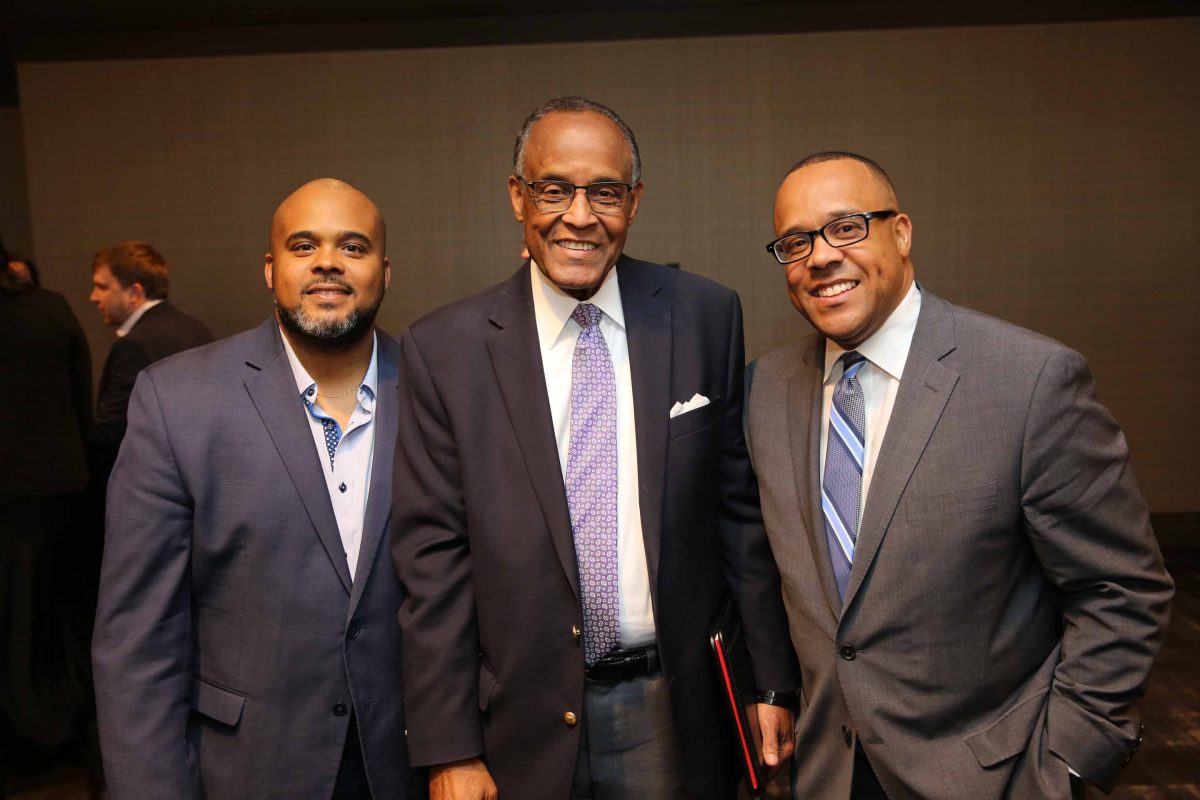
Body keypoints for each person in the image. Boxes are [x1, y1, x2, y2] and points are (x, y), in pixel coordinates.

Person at [391, 96, 800, 800]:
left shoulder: (704, 315)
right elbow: (433, 562)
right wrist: (449, 747)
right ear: (517, 197)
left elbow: (738, 518)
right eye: (554, 190)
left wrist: (770, 681)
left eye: (605, 192)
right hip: (516, 721)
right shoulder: (445, 349)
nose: (579, 216)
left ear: (634, 202)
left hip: (673, 709)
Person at [747, 151, 1174, 799]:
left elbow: (1121, 588)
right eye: (795, 242)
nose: (821, 257)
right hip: (826, 772)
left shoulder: (1029, 381)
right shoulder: (764, 391)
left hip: (992, 777)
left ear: (901, 232)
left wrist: (1066, 761)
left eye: (847, 227)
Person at [92, 179, 423, 799]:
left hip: (406, 767)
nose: (327, 262)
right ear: (271, 270)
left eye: (353, 246)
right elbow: (138, 641)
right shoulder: (177, 399)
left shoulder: (436, 393)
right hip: (247, 768)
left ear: (384, 272)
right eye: (304, 246)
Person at [0, 242, 92, 792]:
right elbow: (80, 395)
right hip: (63, 486)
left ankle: (28, 741)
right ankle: (64, 731)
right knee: (57, 617)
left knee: (15, 628)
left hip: (11, 494)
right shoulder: (50, 308)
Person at [88, 241, 213, 473]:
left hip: (150, 476)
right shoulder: (195, 328)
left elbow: (114, 430)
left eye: (102, 287)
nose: (93, 297)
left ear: (134, 293)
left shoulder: (133, 345)